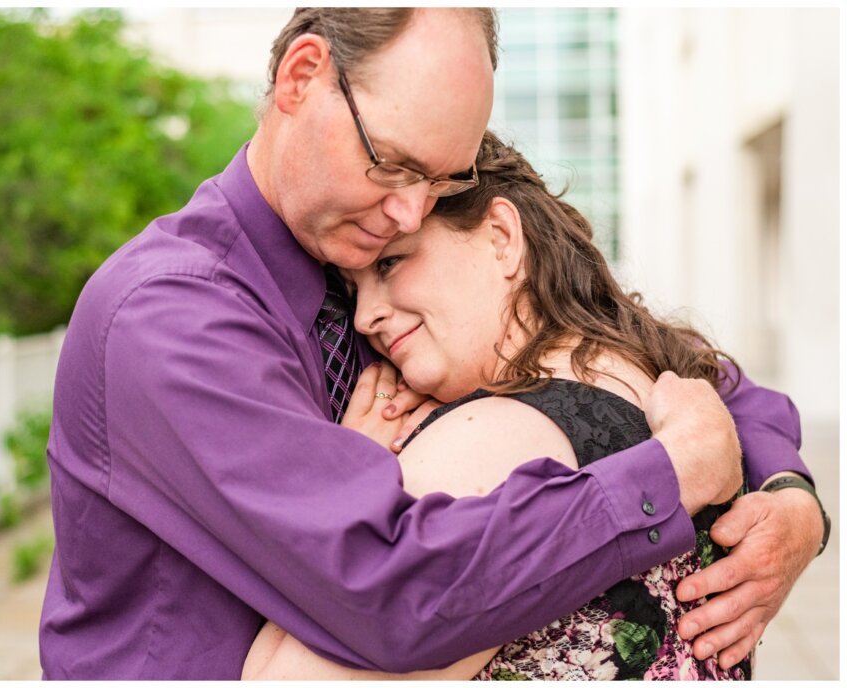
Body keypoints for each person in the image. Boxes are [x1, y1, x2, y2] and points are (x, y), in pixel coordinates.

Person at [39, 8, 826, 679]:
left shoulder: (358, 255)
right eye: (395, 165)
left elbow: (687, 370)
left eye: (443, 184)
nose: (411, 214)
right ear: (301, 76)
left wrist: (792, 496)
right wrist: (665, 477)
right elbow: (385, 585)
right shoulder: (171, 315)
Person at [242, 132, 818, 680]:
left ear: (501, 237)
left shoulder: (492, 437)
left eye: (390, 263)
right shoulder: (651, 374)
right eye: (352, 288)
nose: (366, 315)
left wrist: (348, 475)